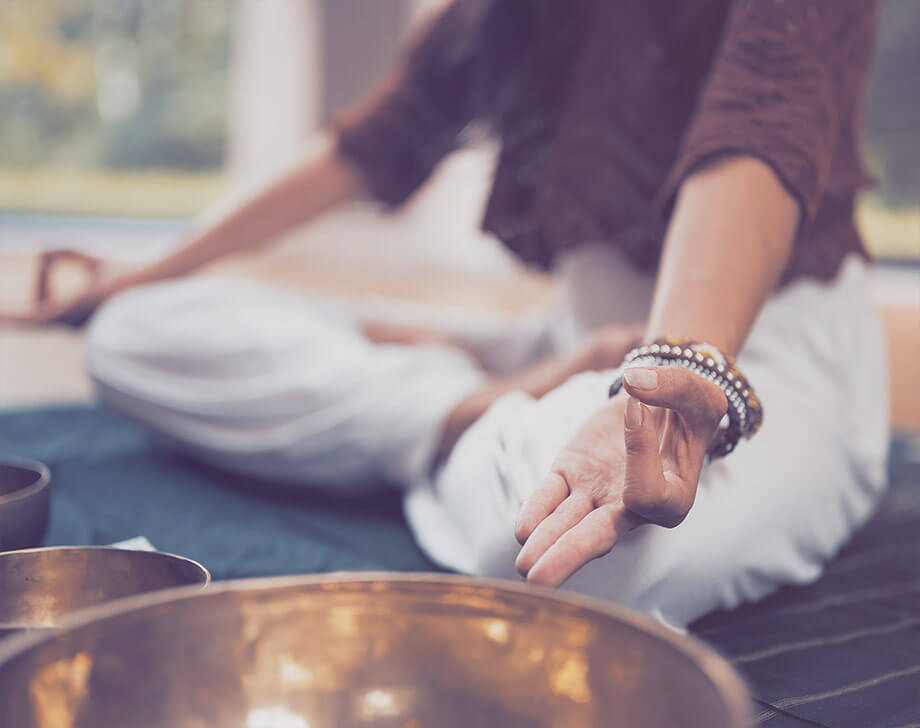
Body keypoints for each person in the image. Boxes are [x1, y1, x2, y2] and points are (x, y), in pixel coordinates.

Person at [3, 0, 889, 628]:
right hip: (558, 356)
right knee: (135, 337)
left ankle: (449, 416)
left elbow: (763, 126)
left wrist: (675, 370)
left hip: (751, 365)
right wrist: (139, 275)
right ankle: (463, 412)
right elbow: (377, 140)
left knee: (578, 566)